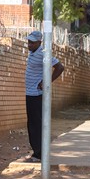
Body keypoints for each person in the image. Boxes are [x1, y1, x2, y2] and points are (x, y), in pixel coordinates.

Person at [24, 31, 64, 162]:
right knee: (32, 123)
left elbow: (59, 67)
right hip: (30, 93)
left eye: (32, 42)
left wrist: (46, 82)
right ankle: (37, 152)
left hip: (36, 94)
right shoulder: (33, 53)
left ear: (39, 42)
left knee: (36, 124)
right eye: (29, 42)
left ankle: (38, 154)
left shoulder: (43, 53)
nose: (29, 44)